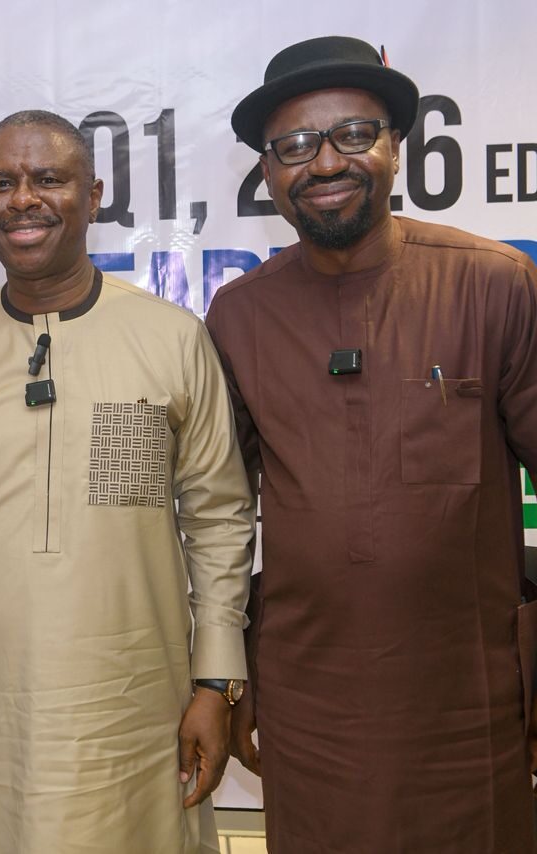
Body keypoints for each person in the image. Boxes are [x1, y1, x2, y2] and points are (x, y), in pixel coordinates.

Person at [206, 36, 537, 854]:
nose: (325, 162)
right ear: (268, 172)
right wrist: (229, 671)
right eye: (294, 145)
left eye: (353, 134)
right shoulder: (239, 316)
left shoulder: (492, 283)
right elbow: (216, 516)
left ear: (396, 147)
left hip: (471, 702)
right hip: (308, 705)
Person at [0, 109, 254, 854]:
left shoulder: (171, 338)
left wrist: (217, 682)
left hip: (138, 708)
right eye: (1, 183)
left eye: (48, 179)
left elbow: (218, 519)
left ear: (92, 197)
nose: (23, 199)